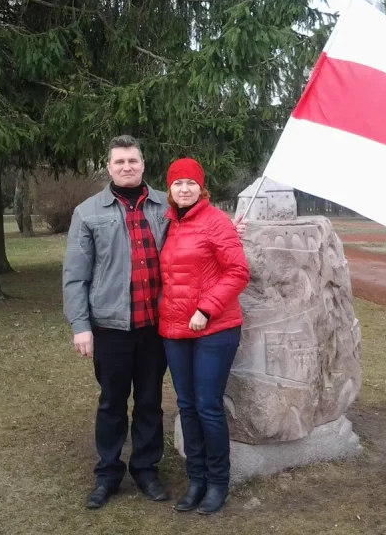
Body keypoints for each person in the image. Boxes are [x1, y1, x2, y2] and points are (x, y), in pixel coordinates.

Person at [62, 136, 246, 510]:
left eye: (132, 160)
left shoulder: (167, 203)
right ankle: (108, 474)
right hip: (111, 325)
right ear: (109, 167)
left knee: (149, 402)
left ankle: (146, 470)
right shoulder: (88, 212)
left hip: (156, 326)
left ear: (143, 165)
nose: (126, 166)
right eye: (119, 162)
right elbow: (75, 274)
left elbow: (199, 229)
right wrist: (80, 324)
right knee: (112, 402)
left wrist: (228, 228)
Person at [158, 158, 250, 515]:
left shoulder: (216, 222)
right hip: (174, 329)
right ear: (169, 189)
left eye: (190, 183)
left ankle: (217, 483)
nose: (184, 188)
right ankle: (194, 480)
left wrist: (206, 308)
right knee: (186, 405)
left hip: (214, 328)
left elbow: (238, 271)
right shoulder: (167, 224)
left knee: (208, 406)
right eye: (177, 183)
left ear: (201, 187)